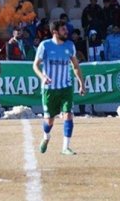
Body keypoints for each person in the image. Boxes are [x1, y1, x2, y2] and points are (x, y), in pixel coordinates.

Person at [33, 20, 86, 155]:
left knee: (68, 115)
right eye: (63, 30)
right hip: (49, 90)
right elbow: (35, 65)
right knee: (49, 121)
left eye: (66, 29)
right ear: (55, 32)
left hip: (66, 87)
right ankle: (46, 136)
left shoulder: (70, 46)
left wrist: (81, 83)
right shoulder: (45, 45)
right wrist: (43, 77)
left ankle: (65, 147)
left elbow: (75, 66)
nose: (66, 32)